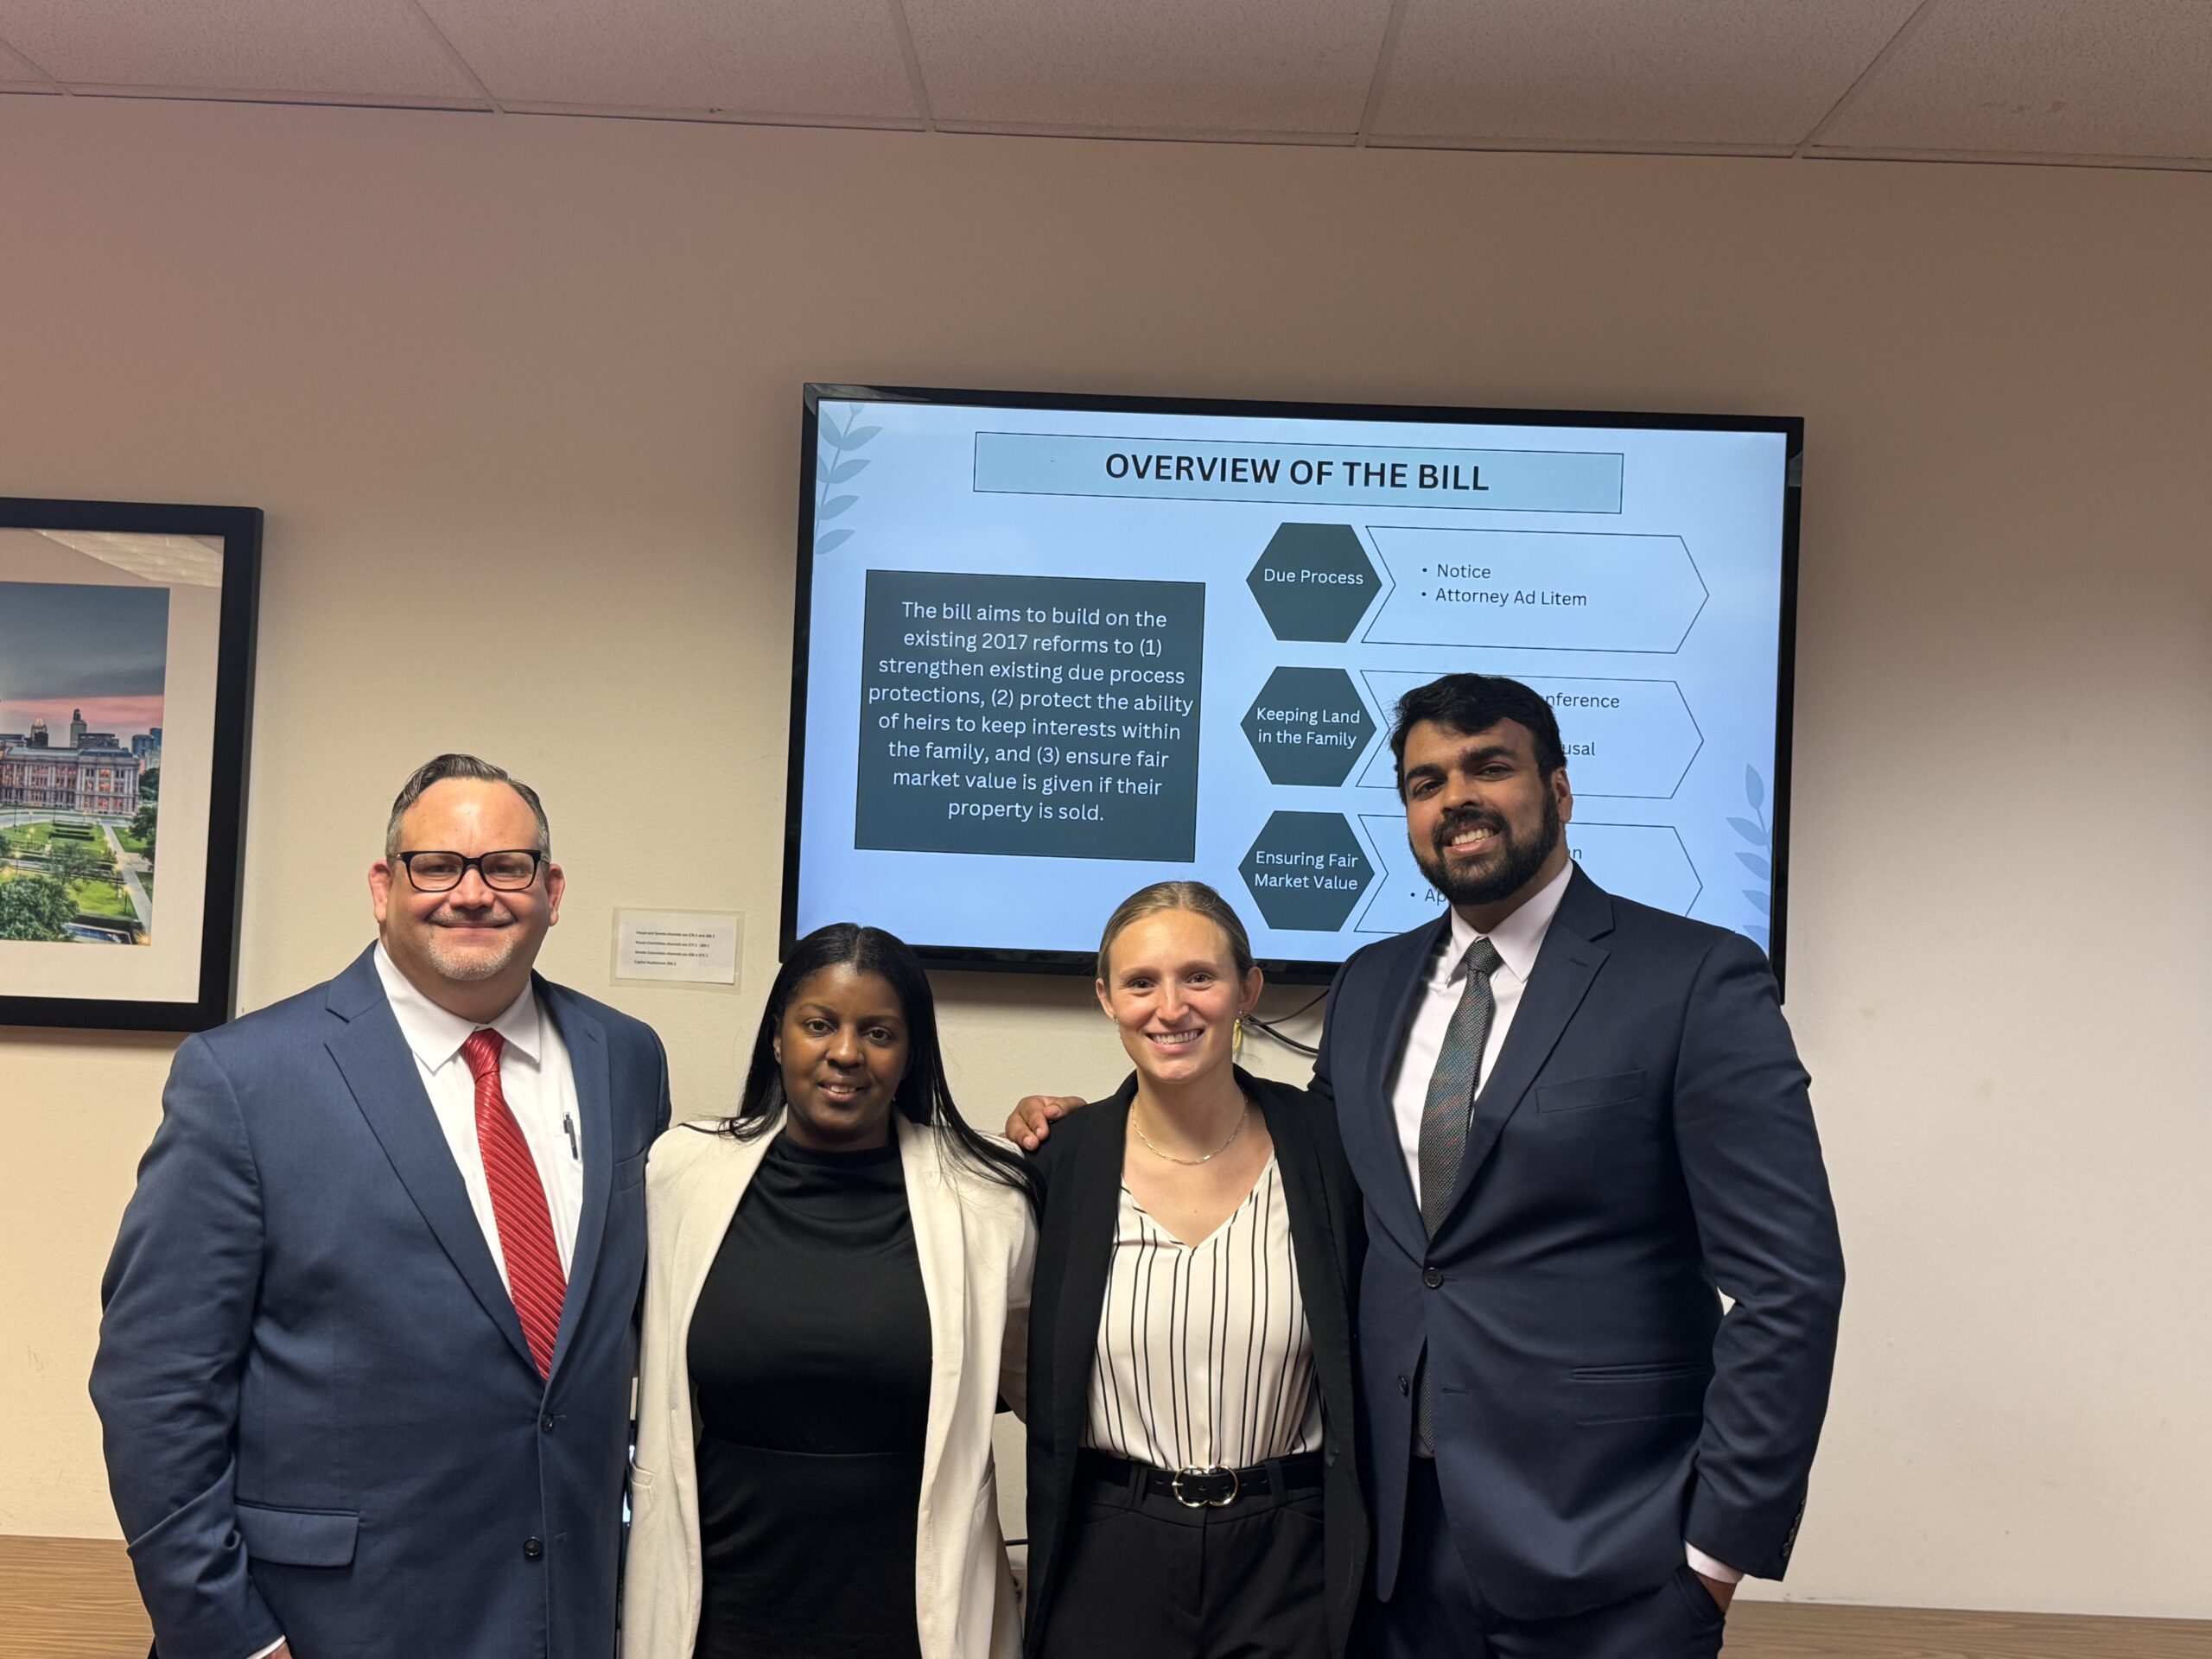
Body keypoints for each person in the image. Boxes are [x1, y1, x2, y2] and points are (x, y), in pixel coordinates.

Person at [1012, 674, 1844, 1658]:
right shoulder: (1370, 987)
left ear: (1561, 790)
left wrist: (1715, 1555)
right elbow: (1302, 1180)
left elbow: (1790, 1284)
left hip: (1613, 1561)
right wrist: (1079, 1126)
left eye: (1489, 766)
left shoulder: (1694, 979)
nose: (1456, 798)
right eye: (1424, 781)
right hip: (1390, 1562)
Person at [91, 754, 671, 1659]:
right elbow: (155, 1386)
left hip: (569, 1616)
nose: (471, 894)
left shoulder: (625, 1060)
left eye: (506, 867)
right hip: (328, 1628)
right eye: (436, 865)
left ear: (552, 890)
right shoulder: (246, 1079)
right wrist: (230, 1635)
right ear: (382, 885)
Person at [622, 923, 1035, 1659]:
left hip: (910, 1619)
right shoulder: (679, 1174)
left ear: (910, 1057)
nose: (846, 1053)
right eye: (819, 1024)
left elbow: (1046, 1387)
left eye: (878, 1032)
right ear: (778, 1038)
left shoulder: (988, 1198)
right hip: (719, 1614)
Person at [1022, 883, 1366, 1659]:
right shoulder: (1061, 1162)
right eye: (1141, 983)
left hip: (1289, 1555)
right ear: (1107, 999)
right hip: (1111, 1548)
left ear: (1248, 990)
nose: (1170, 1007)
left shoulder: (1331, 1151)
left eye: (1199, 978)